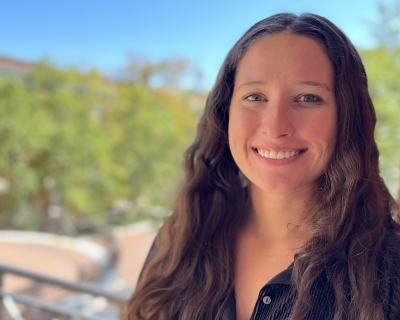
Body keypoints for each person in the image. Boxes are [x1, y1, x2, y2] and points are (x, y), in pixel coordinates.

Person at [124, 13, 400, 320]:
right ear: (225, 112)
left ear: (346, 117)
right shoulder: (178, 238)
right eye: (255, 96)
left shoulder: (391, 268)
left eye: (308, 97)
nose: (275, 126)